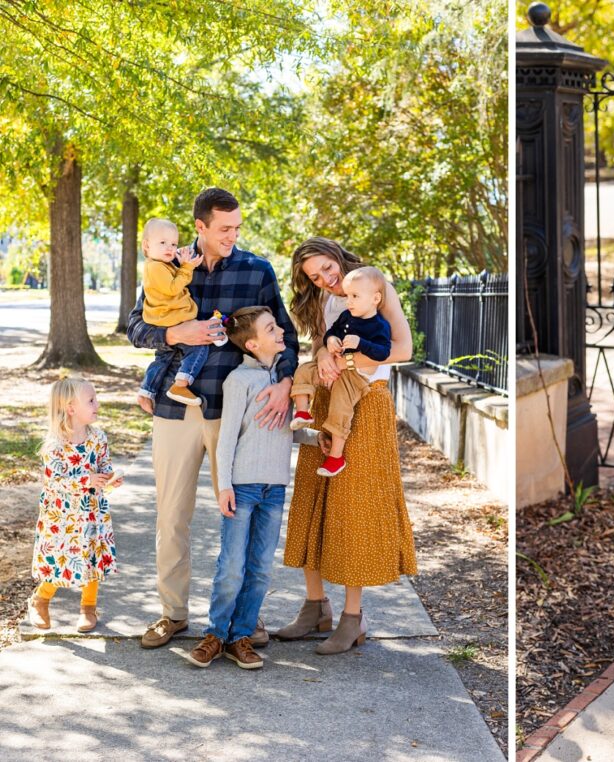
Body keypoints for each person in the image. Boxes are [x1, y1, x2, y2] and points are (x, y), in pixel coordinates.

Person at [127, 188, 299, 649]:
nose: (233, 235)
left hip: (234, 416)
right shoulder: (165, 266)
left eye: (237, 228)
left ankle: (244, 621)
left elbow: (286, 334)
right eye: (224, 229)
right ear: (200, 227)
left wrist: (283, 382)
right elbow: (135, 328)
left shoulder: (256, 270)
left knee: (240, 517)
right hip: (174, 407)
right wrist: (174, 331)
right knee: (171, 516)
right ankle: (173, 613)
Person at [274, 237, 416, 655]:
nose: (325, 278)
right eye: (315, 276)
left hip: (367, 405)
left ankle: (353, 618)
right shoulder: (319, 300)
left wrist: (351, 360)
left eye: (327, 268)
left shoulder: (372, 284)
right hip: (326, 401)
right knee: (313, 499)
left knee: (353, 507)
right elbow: (322, 343)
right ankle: (315, 607)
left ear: (337, 256)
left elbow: (403, 349)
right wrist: (321, 354)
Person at [185, 307, 319, 670]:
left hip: (274, 488)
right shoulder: (239, 380)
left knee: (260, 568)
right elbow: (226, 438)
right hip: (242, 487)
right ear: (253, 343)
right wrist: (223, 486)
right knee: (232, 565)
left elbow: (287, 429)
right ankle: (215, 633)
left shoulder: (284, 381)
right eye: (272, 329)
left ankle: (240, 636)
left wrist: (319, 439)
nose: (281, 333)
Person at [28, 377, 122, 633]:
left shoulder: (98, 438)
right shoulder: (55, 445)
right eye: (91, 400)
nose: (97, 404)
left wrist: (110, 481)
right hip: (61, 516)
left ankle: (88, 608)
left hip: (91, 512)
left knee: (90, 559)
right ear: (71, 408)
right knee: (60, 560)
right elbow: (55, 482)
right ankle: (41, 599)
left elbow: (103, 472)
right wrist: (86, 479)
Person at [290, 265, 392, 477]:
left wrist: (361, 342)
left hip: (356, 376)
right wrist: (331, 340)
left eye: (355, 296)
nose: (349, 301)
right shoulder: (346, 316)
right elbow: (331, 332)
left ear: (375, 299)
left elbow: (383, 353)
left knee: (340, 407)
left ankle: (336, 457)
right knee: (304, 370)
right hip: (334, 364)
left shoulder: (379, 326)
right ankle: (301, 412)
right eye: (348, 296)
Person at [136, 218, 206, 409]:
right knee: (199, 347)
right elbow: (174, 287)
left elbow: (176, 279)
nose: (170, 248)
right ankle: (181, 384)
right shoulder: (156, 267)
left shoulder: (163, 264)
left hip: (165, 319)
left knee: (164, 357)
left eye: (173, 244)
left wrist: (183, 264)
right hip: (172, 319)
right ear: (147, 246)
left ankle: (146, 390)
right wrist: (187, 267)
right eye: (163, 243)